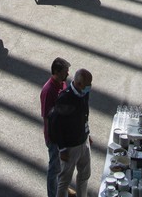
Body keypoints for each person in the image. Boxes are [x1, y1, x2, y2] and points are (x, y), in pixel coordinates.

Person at [50, 68, 92, 197]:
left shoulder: (84, 93)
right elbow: (55, 125)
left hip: (83, 141)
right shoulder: (65, 98)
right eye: (87, 85)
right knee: (64, 180)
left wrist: (87, 133)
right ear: (79, 84)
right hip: (70, 147)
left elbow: (85, 114)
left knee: (85, 175)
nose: (89, 88)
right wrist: (62, 149)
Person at [40, 58, 70, 197]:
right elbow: (47, 117)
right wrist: (51, 138)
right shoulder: (48, 90)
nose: (67, 74)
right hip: (55, 138)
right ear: (57, 72)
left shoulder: (62, 84)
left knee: (62, 167)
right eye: (65, 72)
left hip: (63, 135)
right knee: (54, 169)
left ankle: (61, 190)